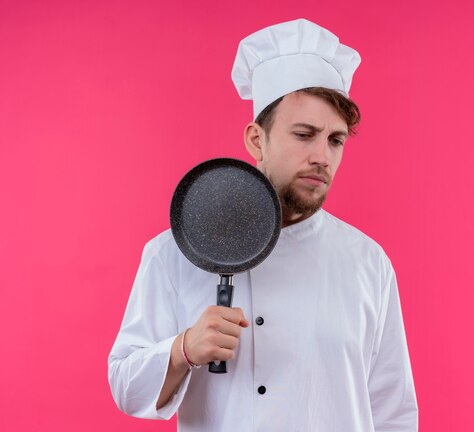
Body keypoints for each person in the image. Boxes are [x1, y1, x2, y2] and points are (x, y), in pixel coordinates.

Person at [108, 18, 418, 431]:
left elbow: (393, 411)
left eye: (335, 140)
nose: (323, 157)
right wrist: (183, 349)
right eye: (304, 134)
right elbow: (125, 387)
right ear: (257, 139)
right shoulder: (175, 251)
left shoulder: (367, 262)